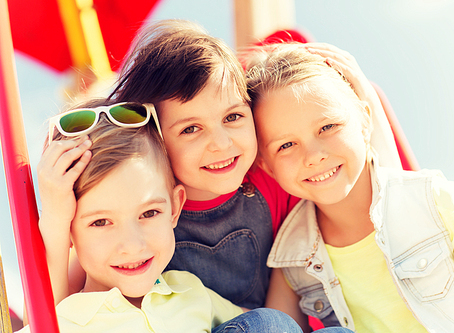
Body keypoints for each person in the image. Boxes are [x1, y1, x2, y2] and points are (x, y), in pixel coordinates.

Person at [106, 20, 400, 314]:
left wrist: (367, 99)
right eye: (191, 129)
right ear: (155, 137)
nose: (221, 144)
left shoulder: (274, 174)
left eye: (232, 117)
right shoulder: (142, 206)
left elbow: (392, 201)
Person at [245, 43, 454, 332]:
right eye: (286, 145)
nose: (314, 155)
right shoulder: (292, 259)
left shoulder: (439, 203)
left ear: (366, 122)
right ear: (266, 165)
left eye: (327, 127)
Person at [25, 98, 305, 332]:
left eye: (149, 213)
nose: (133, 245)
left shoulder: (189, 291)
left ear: (175, 207)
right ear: (68, 229)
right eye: (101, 222)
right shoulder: (63, 320)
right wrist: (53, 219)